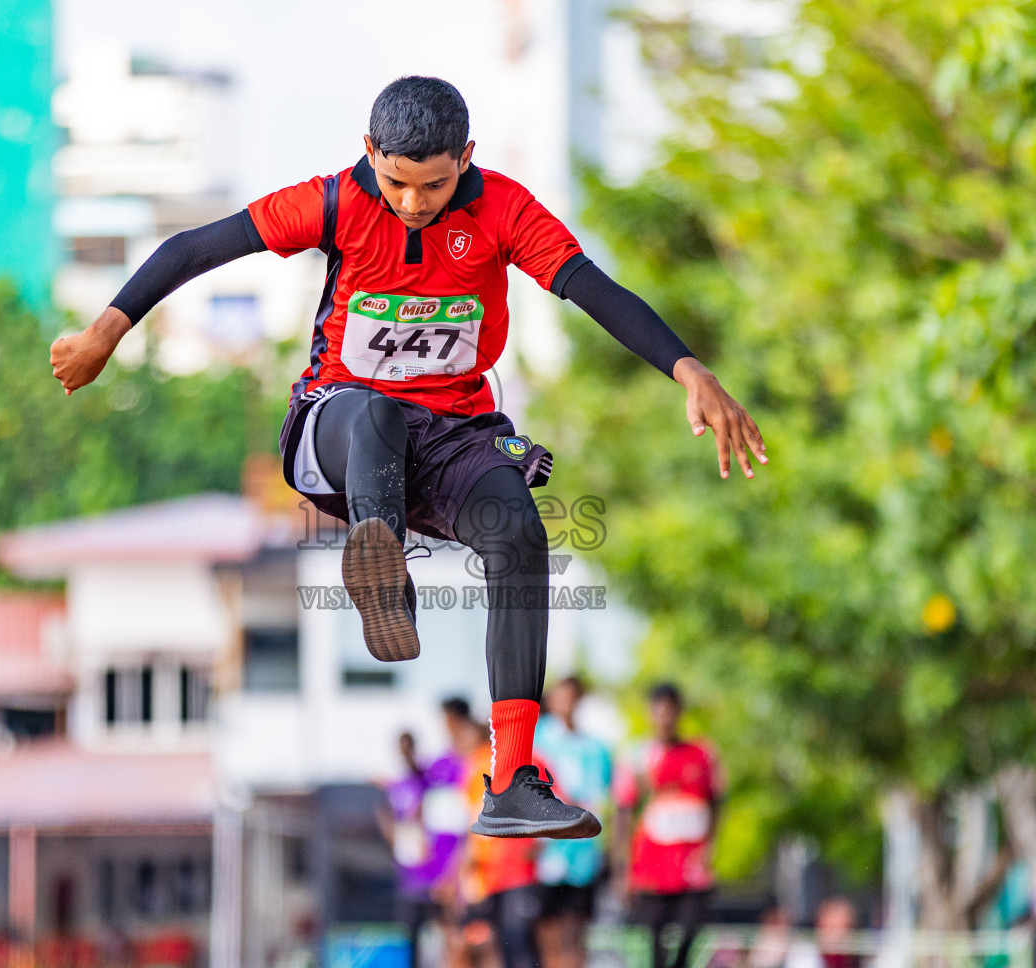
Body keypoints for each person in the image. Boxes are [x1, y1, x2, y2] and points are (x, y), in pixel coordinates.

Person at [51, 76, 766, 839]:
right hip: (339, 430)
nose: (414, 202)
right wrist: (106, 330)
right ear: (369, 153)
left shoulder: (504, 211)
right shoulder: (332, 202)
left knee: (520, 533)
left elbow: (592, 289)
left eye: (433, 184)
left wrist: (689, 370)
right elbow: (194, 246)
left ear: (467, 157)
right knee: (379, 410)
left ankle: (514, 780)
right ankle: (378, 559)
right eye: (397, 182)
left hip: (455, 437)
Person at [614, 682, 725, 968]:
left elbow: (717, 802)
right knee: (653, 936)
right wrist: (622, 869)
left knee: (692, 928)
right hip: (652, 864)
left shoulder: (702, 754)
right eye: (658, 711)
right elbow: (624, 814)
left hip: (691, 864)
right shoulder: (639, 756)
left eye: (669, 711)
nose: (664, 718)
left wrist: (711, 847)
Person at [532, 676, 612, 968]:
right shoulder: (536, 742)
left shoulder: (597, 749)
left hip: (582, 857)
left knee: (576, 932)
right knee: (546, 932)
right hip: (544, 854)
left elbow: (603, 801)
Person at [457, 711, 544, 968]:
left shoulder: (527, 760)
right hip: (488, 873)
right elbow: (473, 819)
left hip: (518, 869)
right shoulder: (474, 767)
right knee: (498, 943)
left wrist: (538, 843)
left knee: (520, 940)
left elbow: (552, 805)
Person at [383, 726, 465, 968]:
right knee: (413, 936)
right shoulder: (398, 787)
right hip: (411, 877)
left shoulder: (427, 780)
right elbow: (390, 820)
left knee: (448, 929)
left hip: (436, 873)